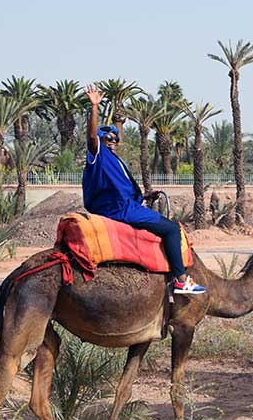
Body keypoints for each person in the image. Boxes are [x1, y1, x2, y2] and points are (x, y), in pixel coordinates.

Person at [82, 84, 205, 295]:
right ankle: (180, 280)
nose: (113, 141)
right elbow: (92, 138)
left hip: (127, 205)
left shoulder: (115, 161)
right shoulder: (98, 156)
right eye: (108, 138)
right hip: (120, 210)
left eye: (115, 139)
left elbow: (120, 189)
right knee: (172, 229)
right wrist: (94, 106)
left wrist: (145, 196)